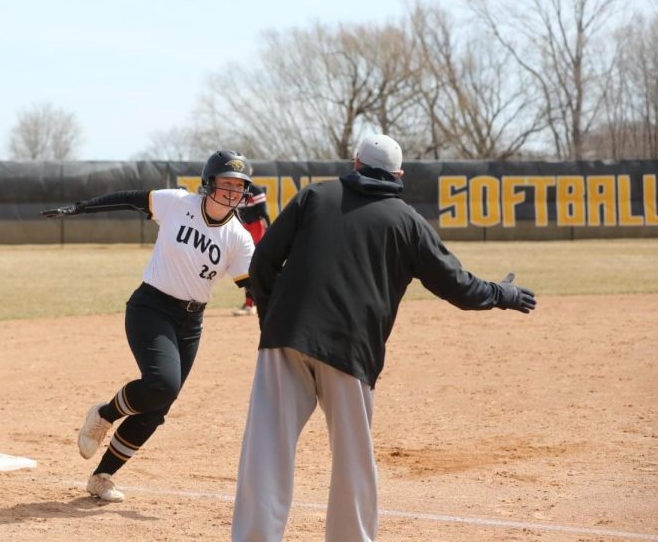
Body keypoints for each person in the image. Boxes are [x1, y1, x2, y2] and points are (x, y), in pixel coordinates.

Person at [231, 134, 536, 542]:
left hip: (285, 338)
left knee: (266, 451)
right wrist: (504, 294)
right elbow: (458, 286)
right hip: (351, 349)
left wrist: (272, 322)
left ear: (355, 164)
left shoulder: (314, 196)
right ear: (399, 175)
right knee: (352, 460)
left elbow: (264, 261)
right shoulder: (406, 220)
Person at [41, 150, 256, 503]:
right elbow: (129, 198)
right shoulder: (178, 204)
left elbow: (254, 285)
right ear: (209, 183)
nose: (233, 192)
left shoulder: (239, 237)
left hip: (191, 321)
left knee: (160, 404)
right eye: (226, 183)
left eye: (239, 186)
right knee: (162, 383)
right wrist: (80, 207)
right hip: (151, 306)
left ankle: (102, 475)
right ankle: (104, 414)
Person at [232, 181, 270, 316]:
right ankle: (250, 303)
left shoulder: (256, 190)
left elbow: (263, 212)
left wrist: (270, 231)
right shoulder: (235, 190)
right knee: (245, 267)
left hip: (255, 228)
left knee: (254, 266)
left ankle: (253, 303)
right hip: (241, 228)